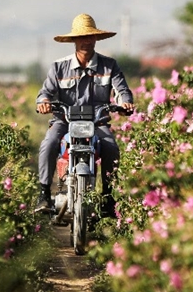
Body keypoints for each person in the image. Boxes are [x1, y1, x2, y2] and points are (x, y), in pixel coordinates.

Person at [35, 14, 135, 216]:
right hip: (64, 121)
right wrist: (43, 103)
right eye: (82, 37)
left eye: (90, 37)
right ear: (73, 40)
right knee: (49, 142)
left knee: (111, 147)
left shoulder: (110, 66)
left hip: (97, 122)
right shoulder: (58, 67)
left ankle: (108, 196)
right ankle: (44, 193)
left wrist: (125, 102)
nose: (86, 41)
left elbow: (122, 89)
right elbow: (45, 93)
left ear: (96, 39)